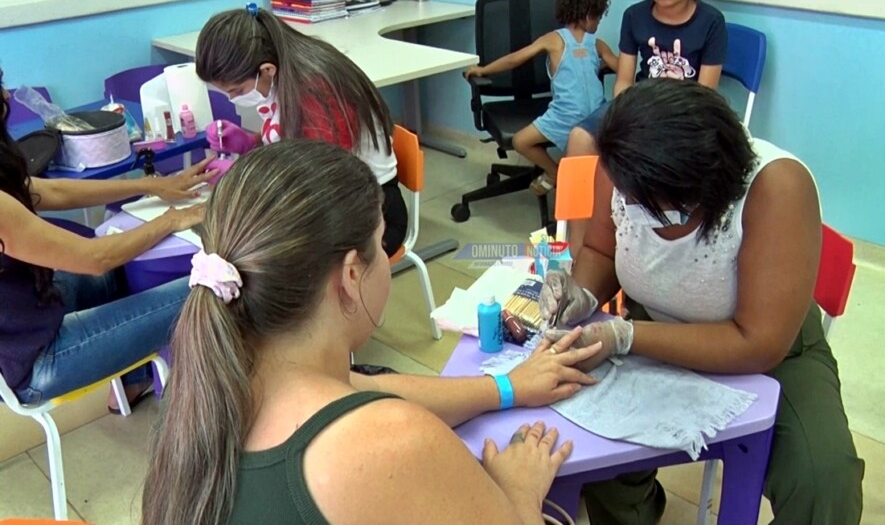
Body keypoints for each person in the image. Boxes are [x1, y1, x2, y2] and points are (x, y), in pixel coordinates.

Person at [141, 139, 603, 524]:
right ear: (350, 275)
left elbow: (371, 386)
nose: (386, 257)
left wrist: (507, 387)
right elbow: (387, 418)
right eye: (381, 243)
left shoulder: (208, 390)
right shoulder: (391, 444)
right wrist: (517, 490)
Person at [540, 80, 864, 525]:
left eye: (644, 203)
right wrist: (582, 291)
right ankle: (633, 512)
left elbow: (758, 343)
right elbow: (600, 249)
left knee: (823, 480)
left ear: (700, 187)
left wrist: (626, 336)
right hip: (651, 328)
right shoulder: (625, 161)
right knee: (591, 442)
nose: (627, 206)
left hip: (768, 352)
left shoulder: (777, 186)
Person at [0, 69, 210, 413]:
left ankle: (135, 380)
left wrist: (152, 185)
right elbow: (95, 259)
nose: (7, 96)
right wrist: (171, 219)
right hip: (35, 364)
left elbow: (53, 191)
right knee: (205, 288)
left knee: (126, 271)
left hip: (32, 315)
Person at [195, 3, 408, 257]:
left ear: (266, 70)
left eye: (237, 91)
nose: (233, 99)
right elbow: (294, 142)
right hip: (335, 198)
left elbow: (320, 176)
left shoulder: (316, 90)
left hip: (374, 213)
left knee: (264, 256)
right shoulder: (285, 70)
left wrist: (243, 173)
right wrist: (251, 143)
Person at [566, 0, 727, 252]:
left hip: (685, 113)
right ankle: (579, 247)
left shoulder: (711, 21)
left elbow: (706, 94)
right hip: (638, 103)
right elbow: (623, 81)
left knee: (654, 153)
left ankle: (640, 249)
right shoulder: (635, 16)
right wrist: (625, 117)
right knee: (580, 138)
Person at [465, 0, 617, 195]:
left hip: (579, 116)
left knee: (524, 143)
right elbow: (621, 68)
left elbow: (515, 59)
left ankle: (558, 176)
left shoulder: (574, 42)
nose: (598, 24)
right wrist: (485, 69)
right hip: (581, 116)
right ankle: (562, 177)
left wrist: (484, 69)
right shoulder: (580, 42)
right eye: (598, 18)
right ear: (586, 15)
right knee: (530, 144)